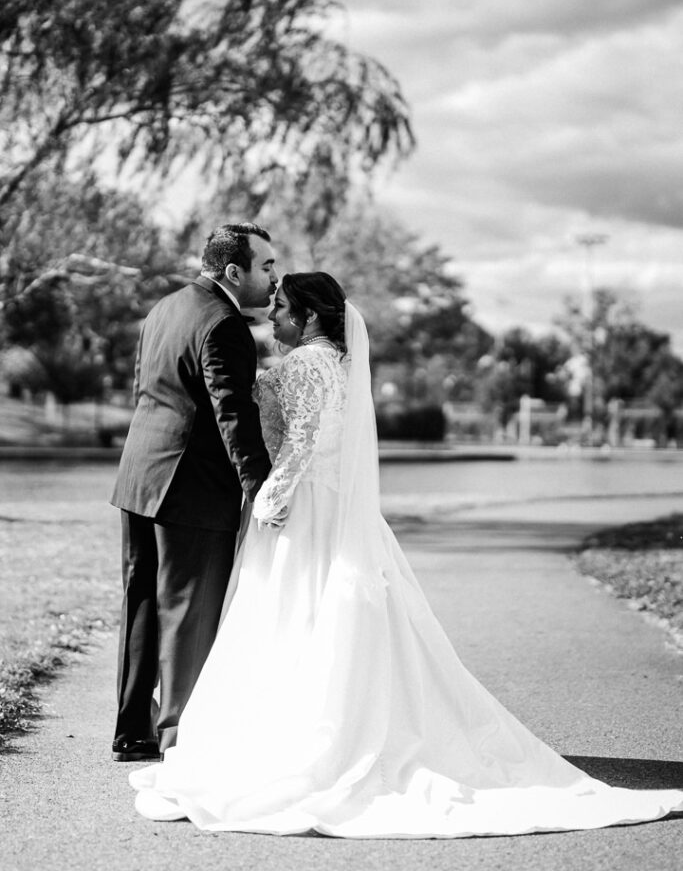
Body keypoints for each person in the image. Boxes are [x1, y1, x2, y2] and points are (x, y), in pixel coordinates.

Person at [129, 273, 683, 835]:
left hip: (301, 508)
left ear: (310, 317)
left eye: (280, 306)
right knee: (328, 615)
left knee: (292, 613)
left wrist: (269, 498)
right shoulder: (340, 365)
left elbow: (299, 443)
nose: (271, 315)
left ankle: (302, 737)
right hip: (335, 507)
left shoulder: (302, 365)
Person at [110, 223, 277, 763]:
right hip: (193, 488)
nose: (275, 279)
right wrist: (261, 484)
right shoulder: (225, 324)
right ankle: (181, 737)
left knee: (141, 605)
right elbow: (233, 411)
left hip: (140, 476)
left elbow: (149, 387)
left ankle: (132, 730)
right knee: (188, 609)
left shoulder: (165, 307)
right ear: (235, 271)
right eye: (266, 267)